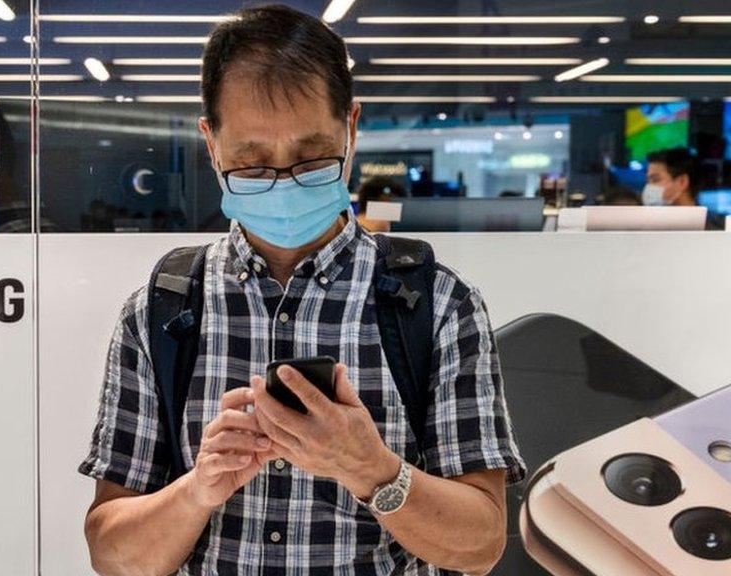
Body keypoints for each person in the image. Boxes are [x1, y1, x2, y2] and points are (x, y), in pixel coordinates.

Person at [78, 5, 525, 575]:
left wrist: (370, 468)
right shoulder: (162, 311)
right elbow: (113, 556)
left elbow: (481, 544)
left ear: (351, 128)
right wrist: (198, 489)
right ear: (212, 144)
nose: (284, 181)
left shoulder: (438, 305)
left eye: (312, 156)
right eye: (253, 162)